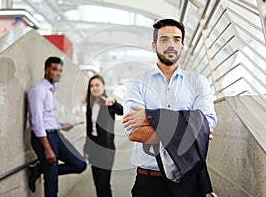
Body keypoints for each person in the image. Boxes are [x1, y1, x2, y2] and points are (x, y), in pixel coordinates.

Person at [122, 18, 217, 197]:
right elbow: (135, 133)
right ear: (153, 45)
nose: (170, 44)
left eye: (176, 39)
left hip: (189, 181)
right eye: (164, 39)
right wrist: (187, 127)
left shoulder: (198, 83)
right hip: (149, 181)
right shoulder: (137, 83)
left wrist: (149, 117)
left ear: (182, 45)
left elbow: (205, 125)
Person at [27, 56, 87, 197]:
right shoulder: (39, 90)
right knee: (52, 182)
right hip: (44, 137)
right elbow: (37, 121)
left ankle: (40, 169)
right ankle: (45, 170)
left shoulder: (51, 90)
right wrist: (47, 148)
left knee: (80, 164)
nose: (58, 73)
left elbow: (47, 117)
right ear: (46, 70)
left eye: (60, 70)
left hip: (55, 134)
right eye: (55, 69)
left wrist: (60, 125)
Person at [83, 75, 123, 197]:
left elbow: (122, 111)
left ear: (103, 86)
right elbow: (89, 130)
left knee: (104, 183)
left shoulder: (108, 103)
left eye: (97, 85)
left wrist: (114, 103)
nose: (94, 88)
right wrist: (86, 148)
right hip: (94, 149)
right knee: (98, 184)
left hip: (106, 149)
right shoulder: (89, 106)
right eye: (91, 86)